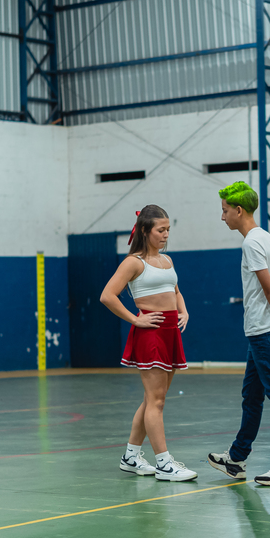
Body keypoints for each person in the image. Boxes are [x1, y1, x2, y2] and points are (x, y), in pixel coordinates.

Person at [208, 182, 270, 486]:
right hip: (265, 331)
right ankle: (236, 459)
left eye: (225, 211)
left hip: (263, 332)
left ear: (239, 210)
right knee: (252, 396)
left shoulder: (251, 243)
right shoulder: (267, 238)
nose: (222, 217)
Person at [99, 205, 197, 481]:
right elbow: (107, 295)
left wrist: (184, 311)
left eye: (168, 230)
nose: (166, 235)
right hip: (151, 333)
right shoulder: (133, 262)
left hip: (170, 332)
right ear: (145, 230)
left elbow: (175, 290)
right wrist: (135, 319)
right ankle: (164, 464)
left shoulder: (167, 260)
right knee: (156, 400)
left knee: (153, 399)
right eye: (160, 230)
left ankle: (131, 457)